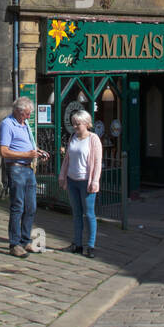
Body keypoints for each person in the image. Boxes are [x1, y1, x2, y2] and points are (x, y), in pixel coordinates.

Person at [0, 96, 49, 258]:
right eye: (26, 114)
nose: (28, 117)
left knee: (31, 207)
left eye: (29, 114)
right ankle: (14, 243)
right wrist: (27, 154)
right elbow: (4, 151)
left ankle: (26, 240)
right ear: (18, 111)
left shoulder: (24, 123)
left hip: (28, 169)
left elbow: (29, 145)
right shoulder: (7, 124)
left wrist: (37, 152)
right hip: (16, 168)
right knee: (17, 207)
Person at [57, 110, 102, 258]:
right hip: (72, 180)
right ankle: (77, 244)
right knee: (76, 213)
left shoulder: (93, 139)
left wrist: (95, 181)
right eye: (73, 123)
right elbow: (67, 159)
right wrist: (63, 175)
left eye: (78, 123)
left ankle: (91, 245)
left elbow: (97, 163)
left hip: (85, 181)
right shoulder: (72, 137)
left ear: (87, 124)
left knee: (89, 214)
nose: (75, 126)